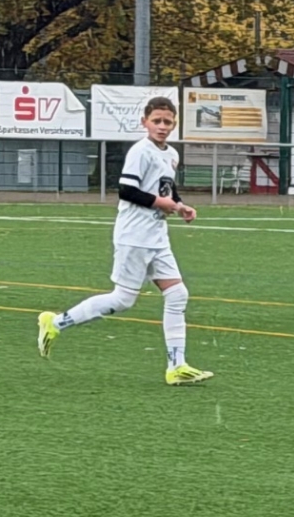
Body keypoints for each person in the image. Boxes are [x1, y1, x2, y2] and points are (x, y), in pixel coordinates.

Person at [36, 95, 212, 384]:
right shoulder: (140, 151)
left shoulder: (171, 153)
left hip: (157, 237)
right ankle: (55, 323)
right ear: (145, 122)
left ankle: (177, 367)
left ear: (174, 124)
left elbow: (165, 188)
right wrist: (163, 203)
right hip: (134, 236)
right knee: (123, 300)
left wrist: (180, 206)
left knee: (177, 294)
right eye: (156, 121)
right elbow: (127, 190)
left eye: (168, 122)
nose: (162, 126)